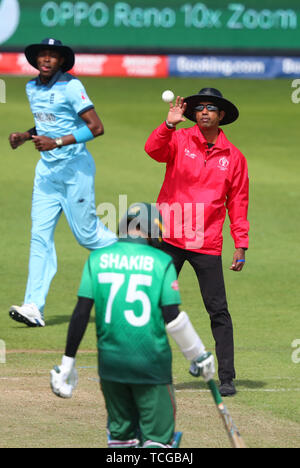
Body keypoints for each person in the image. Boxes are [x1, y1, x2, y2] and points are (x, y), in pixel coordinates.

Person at [50, 202, 215, 448]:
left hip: (111, 366)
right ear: (151, 231)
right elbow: (173, 317)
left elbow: (81, 313)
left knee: (121, 440)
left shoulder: (97, 259)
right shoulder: (162, 262)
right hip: (151, 366)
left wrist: (67, 364)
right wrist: (198, 354)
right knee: (158, 443)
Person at [144, 88, 249, 396]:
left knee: (218, 310)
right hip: (170, 236)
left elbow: (238, 202)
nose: (204, 111)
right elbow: (153, 150)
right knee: (153, 304)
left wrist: (240, 243)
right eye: (200, 107)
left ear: (221, 116)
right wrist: (168, 125)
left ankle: (227, 377)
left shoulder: (234, 157)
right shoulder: (178, 139)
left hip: (206, 242)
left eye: (211, 108)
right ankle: (146, 368)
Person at [8, 38, 117, 327]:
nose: (46, 59)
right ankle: (33, 306)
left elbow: (96, 127)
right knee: (39, 238)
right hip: (46, 174)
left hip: (74, 171)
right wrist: (26, 135)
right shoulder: (31, 87)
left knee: (88, 236)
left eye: (52, 56)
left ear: (60, 61)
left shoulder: (72, 86)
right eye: (42, 55)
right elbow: (49, 123)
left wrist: (55, 143)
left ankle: (130, 256)